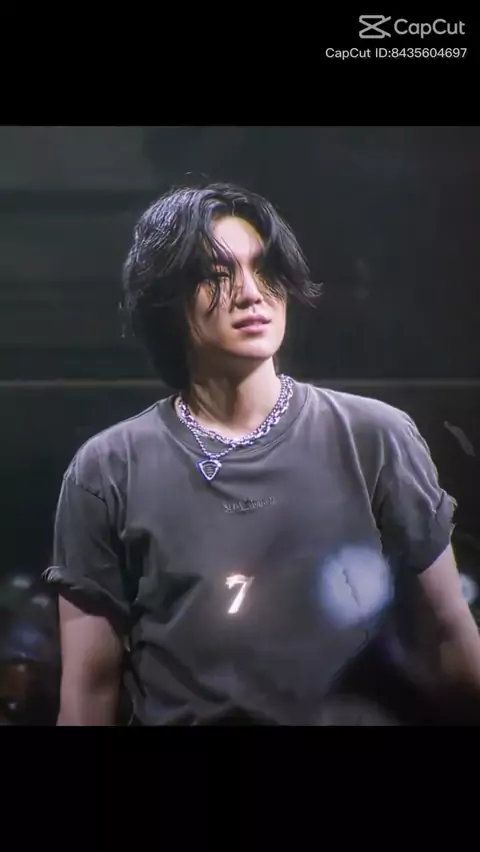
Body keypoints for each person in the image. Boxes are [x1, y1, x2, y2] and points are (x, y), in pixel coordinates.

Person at [45, 181, 480, 725]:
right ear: (166, 300)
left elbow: (449, 636)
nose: (250, 293)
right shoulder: (107, 470)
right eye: (216, 275)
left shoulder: (375, 436)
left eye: (264, 268)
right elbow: (88, 693)